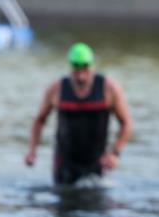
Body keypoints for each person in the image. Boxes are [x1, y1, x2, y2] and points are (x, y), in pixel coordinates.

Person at [25, 43, 133, 185]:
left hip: (96, 162)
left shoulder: (109, 89)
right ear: (70, 66)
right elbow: (39, 120)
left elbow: (127, 123)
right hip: (65, 163)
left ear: (92, 66)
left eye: (85, 68)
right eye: (76, 68)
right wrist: (32, 151)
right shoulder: (56, 89)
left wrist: (115, 153)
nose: (81, 75)